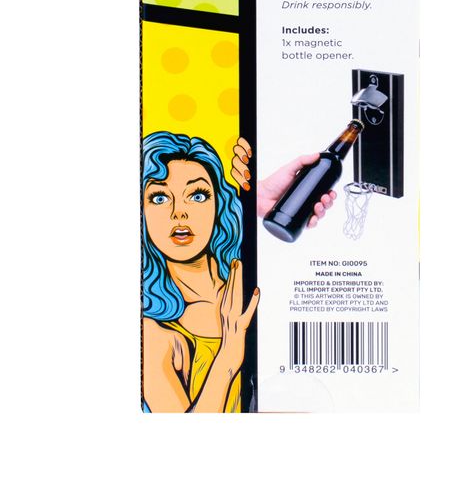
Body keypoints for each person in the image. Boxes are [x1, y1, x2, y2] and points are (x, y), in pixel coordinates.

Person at [142, 131, 336, 413]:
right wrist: (228, 354)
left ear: (218, 204)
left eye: (197, 195)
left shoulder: (247, 279)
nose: (179, 212)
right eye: (159, 198)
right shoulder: (154, 333)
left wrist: (261, 197)